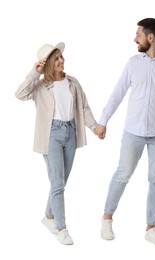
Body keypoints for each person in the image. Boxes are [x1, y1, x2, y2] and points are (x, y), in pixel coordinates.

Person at [95, 18, 155, 246]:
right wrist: (103, 120)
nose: (135, 39)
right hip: (133, 132)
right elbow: (117, 93)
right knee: (123, 174)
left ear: (150, 38)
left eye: (138, 35)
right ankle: (107, 218)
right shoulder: (133, 63)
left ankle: (151, 228)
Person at [15, 42, 97, 245]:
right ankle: (62, 228)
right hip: (51, 135)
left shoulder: (73, 82)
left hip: (71, 133)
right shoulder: (40, 86)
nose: (61, 61)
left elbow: (84, 107)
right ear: (48, 64)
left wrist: (94, 127)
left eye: (61, 57)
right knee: (58, 184)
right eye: (56, 58)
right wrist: (34, 73)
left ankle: (48, 216)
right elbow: (19, 94)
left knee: (60, 183)